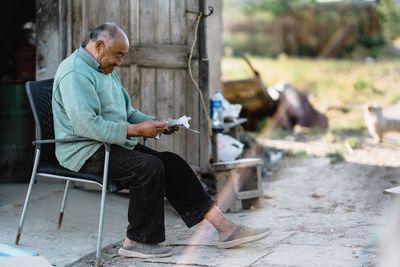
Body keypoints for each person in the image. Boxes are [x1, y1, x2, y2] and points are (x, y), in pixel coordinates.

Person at [52, 22, 271, 258]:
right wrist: (136, 130)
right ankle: (137, 242)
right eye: (117, 55)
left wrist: (156, 123)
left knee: (171, 163)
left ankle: (225, 229)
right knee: (148, 168)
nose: (119, 62)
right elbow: (87, 125)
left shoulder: (105, 69)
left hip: (108, 144)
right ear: (99, 45)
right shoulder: (75, 72)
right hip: (84, 151)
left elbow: (128, 112)